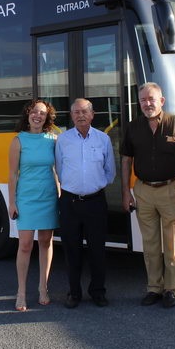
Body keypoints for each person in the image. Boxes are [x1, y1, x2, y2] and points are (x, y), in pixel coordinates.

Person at [120, 82, 175, 309]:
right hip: (143, 191)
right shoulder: (133, 127)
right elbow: (126, 160)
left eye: (151, 99)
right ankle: (154, 288)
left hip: (171, 189)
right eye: (143, 100)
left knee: (172, 243)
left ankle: (172, 290)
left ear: (161, 101)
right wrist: (126, 191)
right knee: (150, 244)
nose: (147, 104)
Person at [55, 98, 116, 308]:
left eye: (84, 111)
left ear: (92, 114)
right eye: (76, 112)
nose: (80, 115)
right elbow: (60, 169)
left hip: (95, 202)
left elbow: (110, 172)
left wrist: (93, 185)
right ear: (71, 116)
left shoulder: (103, 139)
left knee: (97, 249)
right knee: (71, 250)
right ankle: (74, 293)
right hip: (70, 202)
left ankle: (98, 291)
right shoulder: (63, 140)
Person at [8, 100, 60, 312]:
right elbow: (12, 174)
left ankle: (43, 287)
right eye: (35, 112)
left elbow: (57, 170)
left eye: (43, 113)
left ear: (47, 117)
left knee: (46, 242)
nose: (38, 116)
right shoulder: (18, 141)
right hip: (27, 198)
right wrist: (11, 202)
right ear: (28, 114)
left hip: (48, 196)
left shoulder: (53, 139)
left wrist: (60, 194)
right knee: (26, 244)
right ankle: (21, 292)